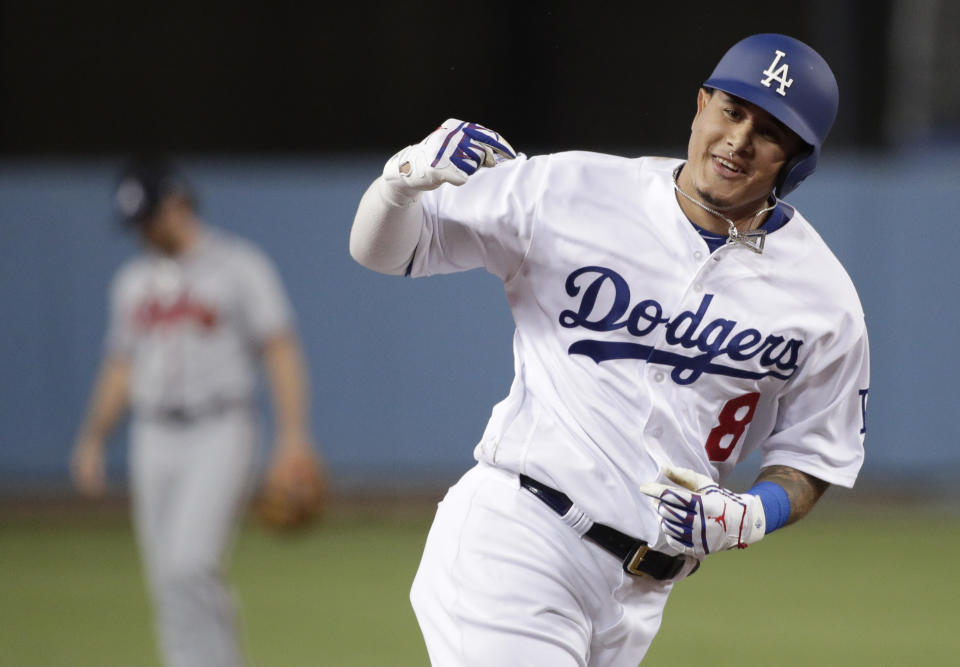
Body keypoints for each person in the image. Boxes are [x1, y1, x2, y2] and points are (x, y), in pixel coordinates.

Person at [350, 33, 869, 666]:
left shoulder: (824, 298)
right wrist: (400, 184)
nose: (739, 139)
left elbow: (816, 453)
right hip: (521, 539)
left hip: (640, 597)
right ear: (701, 104)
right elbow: (387, 250)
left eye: (769, 130)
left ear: (799, 160)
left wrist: (753, 513)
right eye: (732, 111)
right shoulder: (572, 189)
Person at [70, 159, 324, 667]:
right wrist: (93, 437)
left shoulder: (239, 266)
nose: (142, 230)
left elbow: (280, 350)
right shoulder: (133, 281)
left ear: (177, 203)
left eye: (148, 217)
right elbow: (121, 367)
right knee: (166, 579)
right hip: (152, 434)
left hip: (221, 427)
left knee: (191, 565)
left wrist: (293, 437)